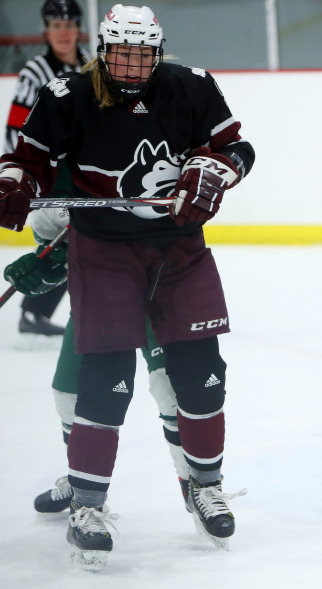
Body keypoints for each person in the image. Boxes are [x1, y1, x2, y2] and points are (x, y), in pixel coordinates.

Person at [0, 4, 255, 570]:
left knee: (200, 373)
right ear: (105, 51)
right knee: (105, 377)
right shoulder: (69, 96)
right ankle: (88, 504)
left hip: (179, 248)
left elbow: (239, 149)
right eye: (123, 54)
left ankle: (206, 486)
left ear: (157, 52)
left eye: (144, 55)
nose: (134, 65)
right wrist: (16, 182)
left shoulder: (191, 86)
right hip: (104, 251)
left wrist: (216, 170)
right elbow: (31, 158)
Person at [3, 207, 191, 515]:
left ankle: (194, 484)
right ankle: (81, 480)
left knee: (170, 389)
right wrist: (46, 266)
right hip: (97, 296)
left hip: (155, 290)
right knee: (68, 393)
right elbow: (58, 247)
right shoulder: (57, 192)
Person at [4, 0, 90, 344]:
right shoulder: (35, 73)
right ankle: (34, 310)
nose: (64, 33)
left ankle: (39, 311)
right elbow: (17, 131)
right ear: (46, 31)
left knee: (82, 240)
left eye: (69, 25)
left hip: (88, 172)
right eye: (57, 26)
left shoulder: (90, 64)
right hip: (54, 176)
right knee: (65, 241)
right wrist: (26, 173)